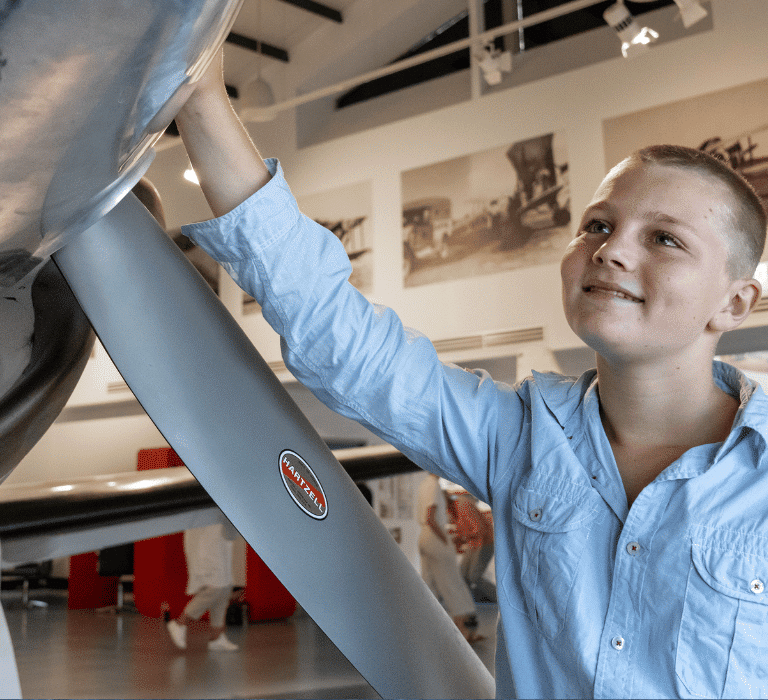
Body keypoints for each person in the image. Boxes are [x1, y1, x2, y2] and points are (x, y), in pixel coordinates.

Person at [175, 51, 767, 698]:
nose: (612, 249)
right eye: (598, 224)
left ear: (735, 302)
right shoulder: (519, 438)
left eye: (665, 239)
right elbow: (342, 343)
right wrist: (202, 96)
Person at [417, 473, 482, 642]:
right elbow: (431, 518)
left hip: (424, 537)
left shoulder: (424, 485)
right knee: (453, 583)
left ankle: (426, 630)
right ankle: (465, 630)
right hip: (434, 536)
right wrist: (445, 540)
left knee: (429, 583)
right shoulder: (433, 485)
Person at [166, 516, 239, 652]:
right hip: (206, 543)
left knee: (225, 589)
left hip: (220, 541)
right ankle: (180, 623)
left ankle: (217, 638)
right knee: (215, 588)